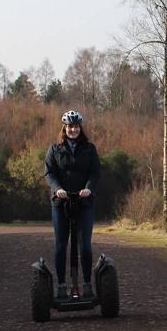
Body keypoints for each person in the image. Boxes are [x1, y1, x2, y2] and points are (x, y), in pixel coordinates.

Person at [44, 110, 101, 299]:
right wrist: (57, 189)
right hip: (61, 202)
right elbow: (49, 173)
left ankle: (85, 284)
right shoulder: (54, 149)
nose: (73, 129)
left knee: (84, 245)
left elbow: (95, 173)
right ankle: (61, 285)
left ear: (80, 128)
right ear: (64, 128)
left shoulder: (89, 149)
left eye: (76, 126)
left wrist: (88, 188)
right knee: (61, 245)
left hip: (84, 201)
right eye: (70, 126)